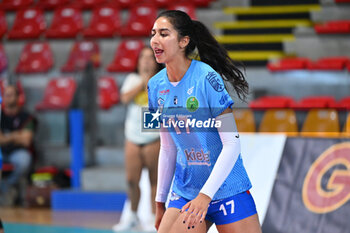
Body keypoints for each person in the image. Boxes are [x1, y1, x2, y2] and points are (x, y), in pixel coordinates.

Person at [147, 10, 262, 233]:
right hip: (186, 191)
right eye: (153, 34)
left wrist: (205, 197)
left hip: (227, 188)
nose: (155, 40)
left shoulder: (208, 78)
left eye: (163, 34)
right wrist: (160, 201)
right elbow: (167, 147)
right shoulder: (154, 86)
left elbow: (232, 144)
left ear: (183, 41)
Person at [113, 47, 163, 232]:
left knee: (154, 182)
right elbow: (125, 98)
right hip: (132, 138)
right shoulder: (132, 79)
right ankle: (132, 217)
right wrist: (142, 83)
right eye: (143, 57)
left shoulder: (162, 80)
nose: (146, 61)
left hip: (153, 138)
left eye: (150, 57)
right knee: (131, 180)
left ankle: (152, 219)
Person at [0, 84, 35, 206]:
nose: (7, 98)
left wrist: (7, 137)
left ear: (17, 97)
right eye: (5, 95)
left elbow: (26, 140)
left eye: (10, 95)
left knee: (24, 160)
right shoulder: (1, 116)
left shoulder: (26, 117)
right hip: (2, 152)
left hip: (18, 152)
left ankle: (7, 186)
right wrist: (17, 135)